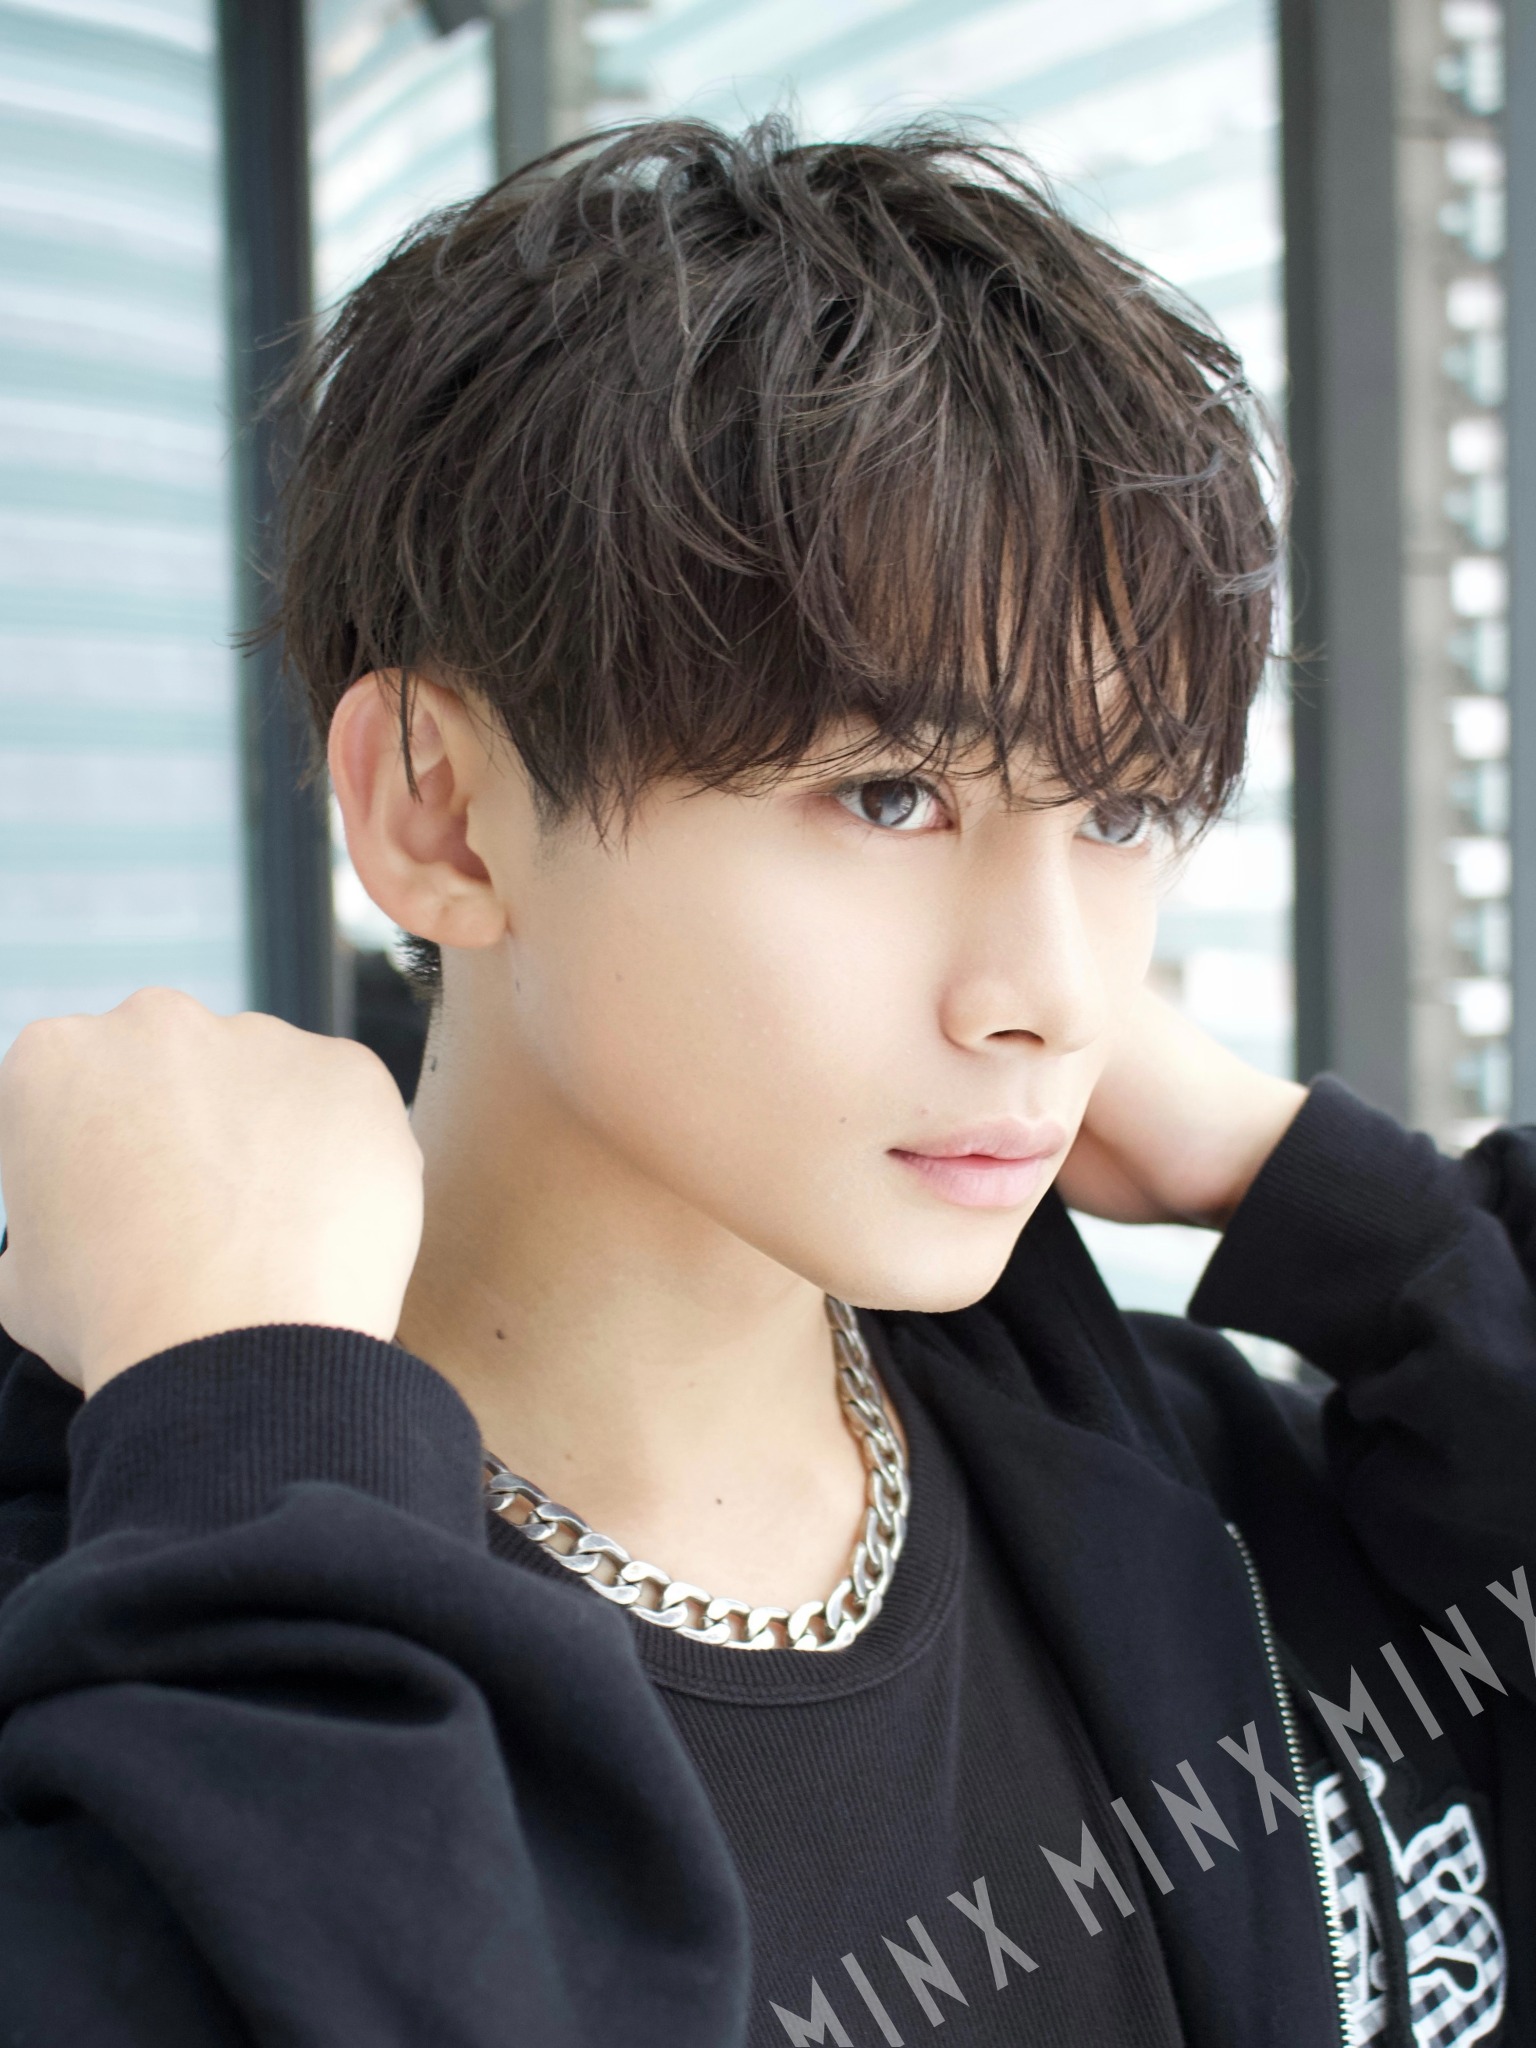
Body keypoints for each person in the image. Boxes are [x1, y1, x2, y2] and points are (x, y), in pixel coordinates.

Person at [0, 118, 1531, 2048]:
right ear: (441, 810)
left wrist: (1339, 1208)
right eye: (889, 797)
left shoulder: (1213, 1484)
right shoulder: (109, 1618)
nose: (1054, 994)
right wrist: (243, 1450)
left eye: (1124, 812)